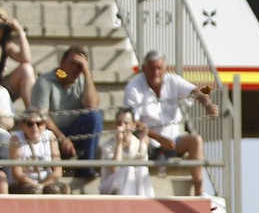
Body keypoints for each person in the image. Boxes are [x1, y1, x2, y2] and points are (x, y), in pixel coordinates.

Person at [124, 51, 220, 196]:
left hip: (173, 140)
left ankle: (200, 193)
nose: (156, 72)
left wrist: (207, 104)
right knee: (141, 141)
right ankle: (139, 191)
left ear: (165, 68)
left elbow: (194, 91)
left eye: (159, 68)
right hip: (147, 140)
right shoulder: (134, 87)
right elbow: (131, 121)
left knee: (196, 141)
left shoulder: (173, 80)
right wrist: (158, 138)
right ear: (144, 68)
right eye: (152, 68)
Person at [31, 45, 102, 178]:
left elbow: (91, 106)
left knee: (95, 117)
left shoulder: (83, 81)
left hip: (74, 132)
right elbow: (42, 115)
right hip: (50, 134)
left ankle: (86, 167)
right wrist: (62, 138)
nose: (75, 68)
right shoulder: (45, 81)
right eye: (72, 63)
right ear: (62, 63)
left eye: (79, 65)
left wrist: (87, 73)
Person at [98, 107, 152, 195]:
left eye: (126, 123)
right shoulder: (107, 145)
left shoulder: (138, 143)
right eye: (119, 123)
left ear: (133, 125)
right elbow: (114, 168)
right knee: (128, 169)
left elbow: (142, 162)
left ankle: (146, 203)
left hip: (133, 186)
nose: (122, 126)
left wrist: (142, 141)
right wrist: (119, 142)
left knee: (142, 169)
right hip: (109, 186)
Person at [11, 111, 68, 194]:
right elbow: (17, 173)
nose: (35, 127)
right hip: (25, 183)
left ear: (44, 125)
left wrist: (42, 185)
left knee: (55, 189)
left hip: (48, 181)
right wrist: (35, 185)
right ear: (23, 125)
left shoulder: (50, 137)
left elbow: (58, 172)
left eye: (39, 123)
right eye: (30, 124)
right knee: (33, 191)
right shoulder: (16, 139)